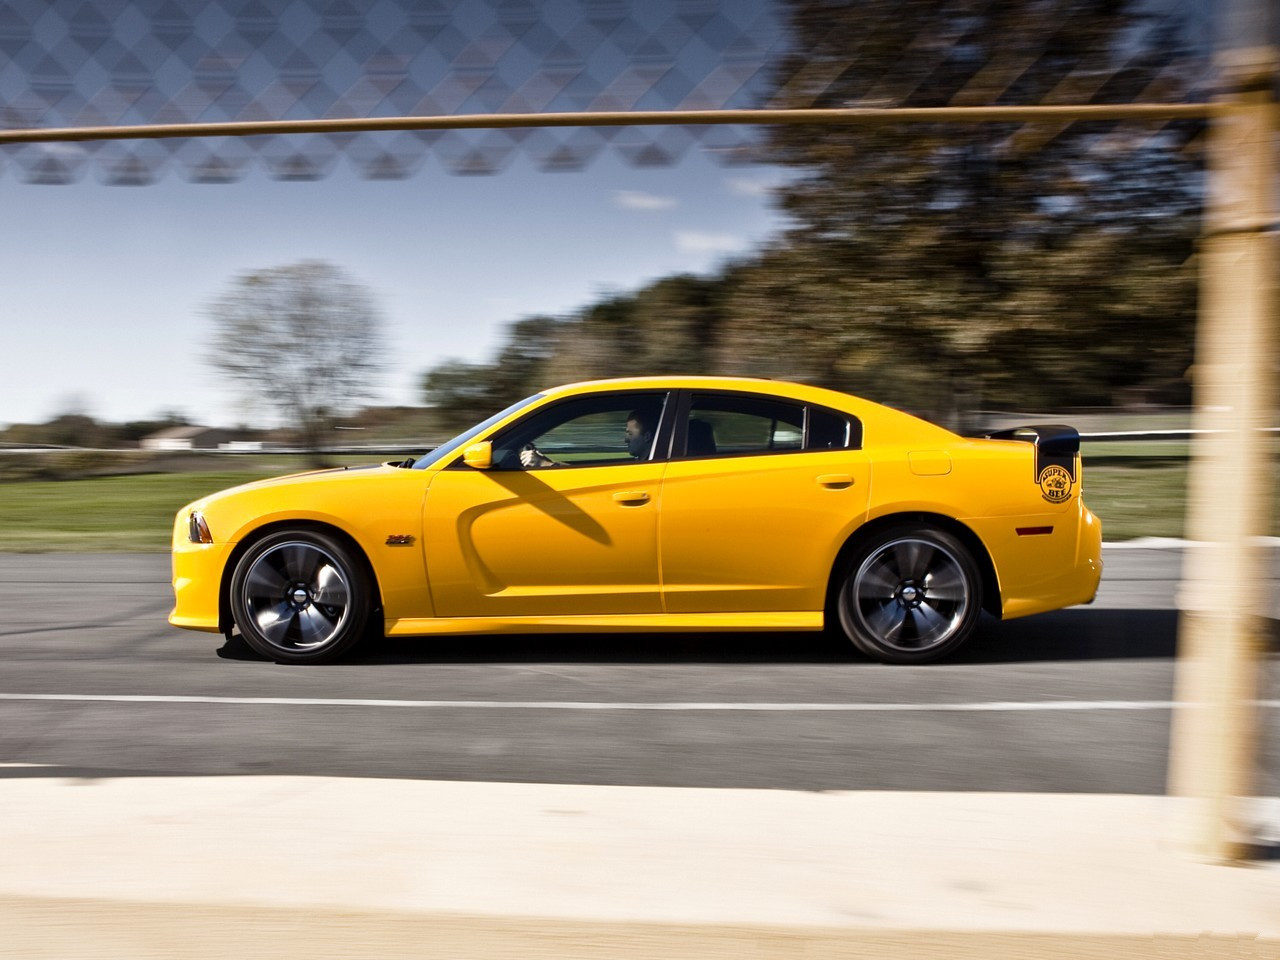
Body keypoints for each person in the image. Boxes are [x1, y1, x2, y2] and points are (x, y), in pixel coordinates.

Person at [519, 406, 657, 468]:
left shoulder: (647, 469)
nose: (625, 440)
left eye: (630, 434)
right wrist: (548, 462)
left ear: (647, 436)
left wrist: (544, 464)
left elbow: (602, 481)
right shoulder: (642, 462)